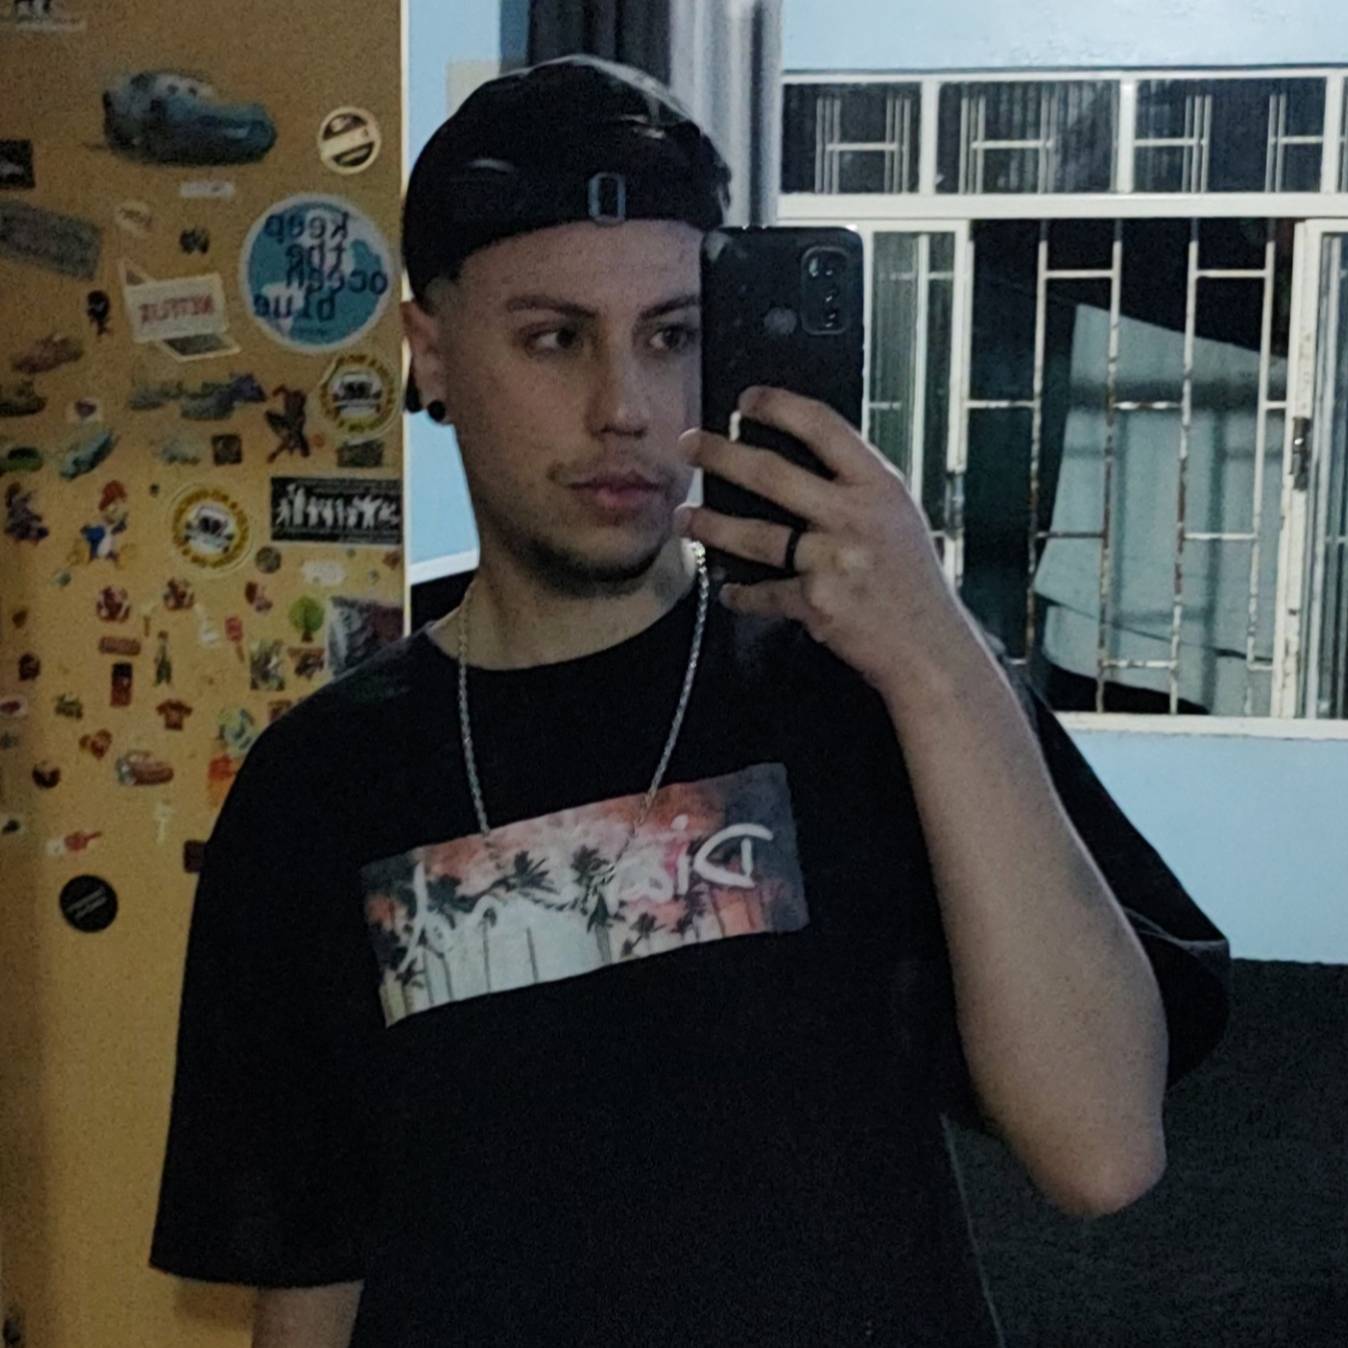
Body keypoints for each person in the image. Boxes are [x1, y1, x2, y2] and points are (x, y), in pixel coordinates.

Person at [149, 56, 1233, 1348]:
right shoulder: (319, 788)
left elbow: (1102, 1150)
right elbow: (310, 1281)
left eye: (671, 336)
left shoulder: (869, 687)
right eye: (555, 338)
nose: (626, 408)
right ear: (429, 354)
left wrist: (939, 657)